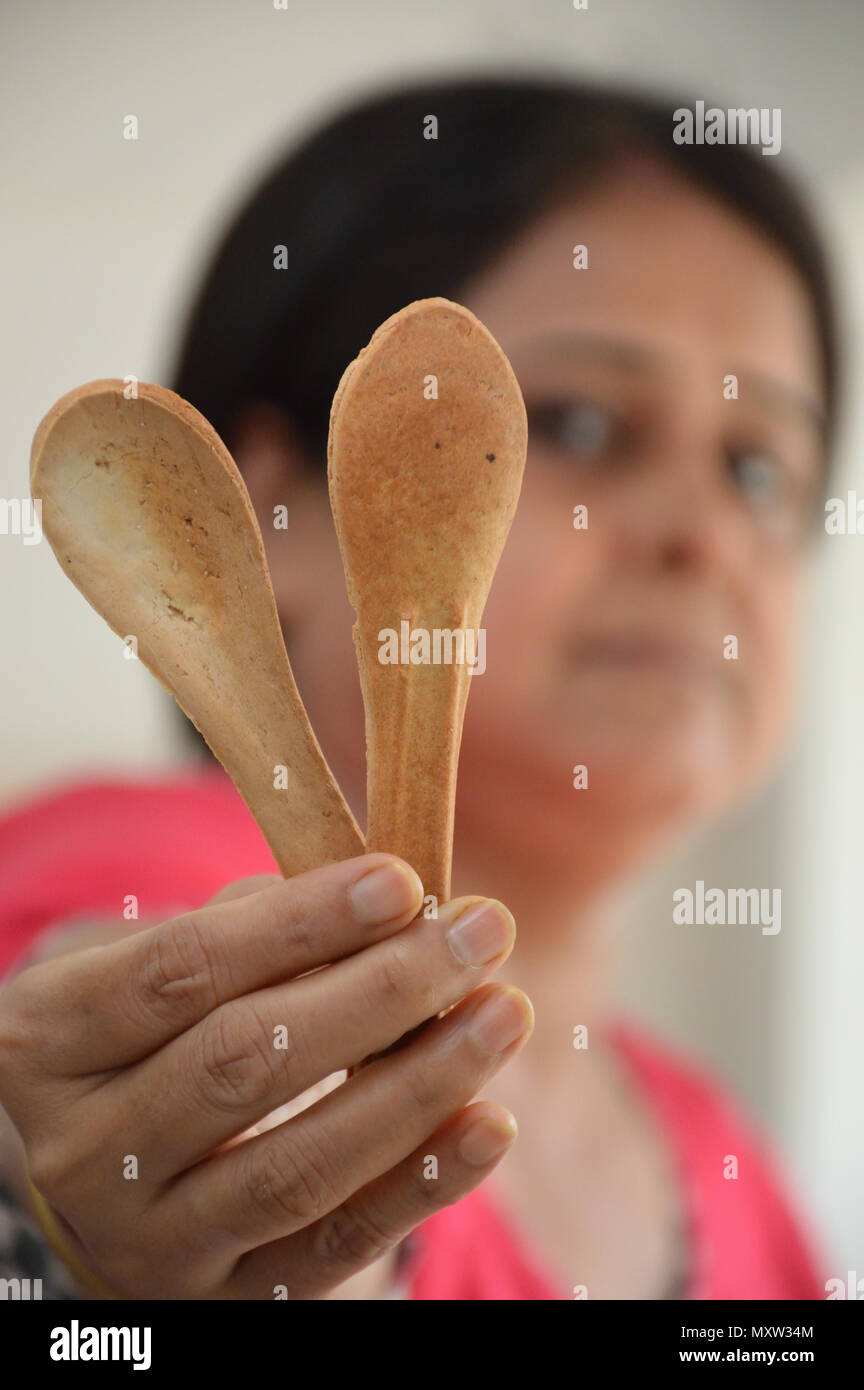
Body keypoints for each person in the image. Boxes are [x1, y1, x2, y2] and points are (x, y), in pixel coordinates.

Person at [0, 74, 838, 1300]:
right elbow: (60, 1065)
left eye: (761, 470)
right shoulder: (143, 867)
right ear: (264, 513)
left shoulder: (740, 1177)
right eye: (586, 427)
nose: (703, 534)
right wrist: (56, 1245)